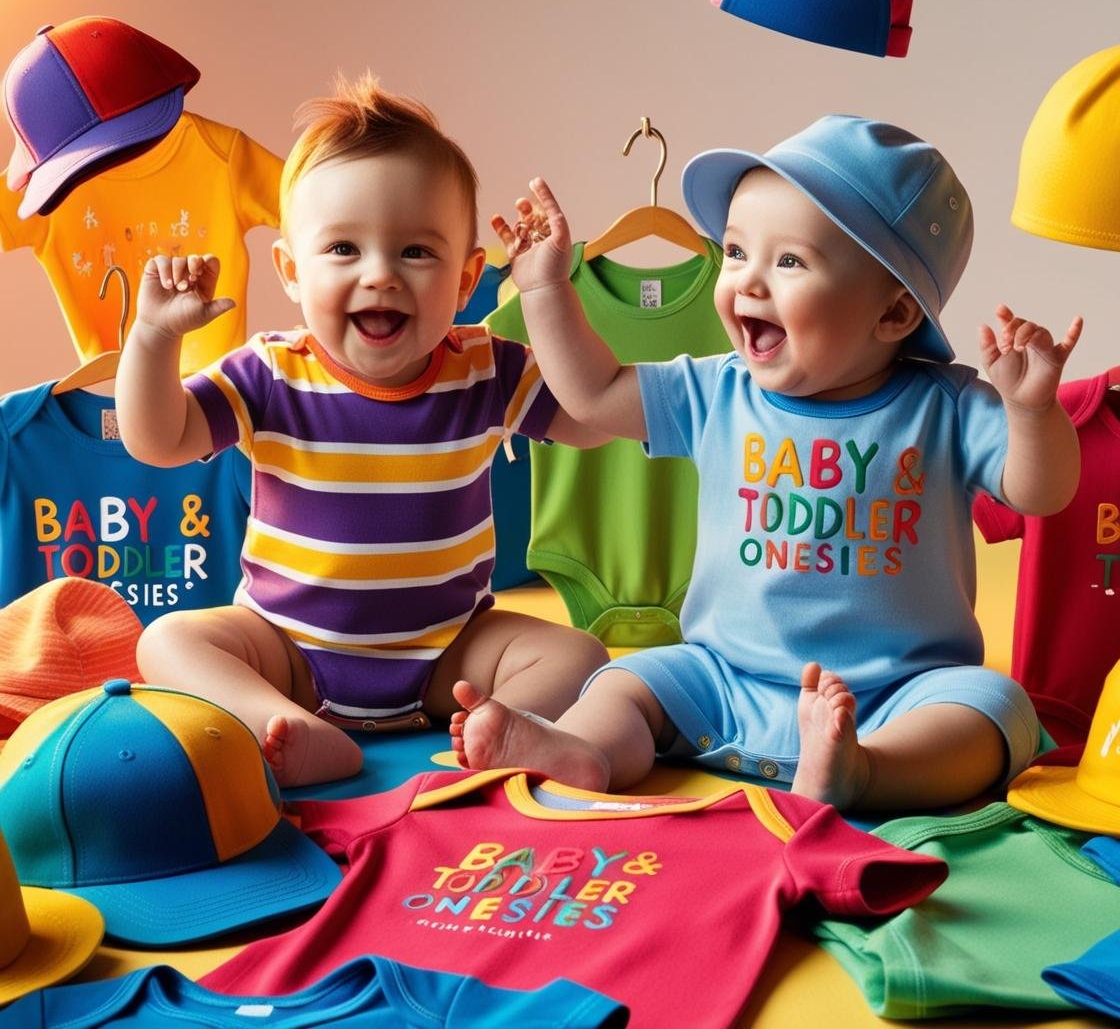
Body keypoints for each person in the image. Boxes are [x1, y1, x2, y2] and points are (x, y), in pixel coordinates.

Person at [450, 115, 1083, 812]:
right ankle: (586, 751)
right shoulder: (716, 389)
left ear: (896, 313)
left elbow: (1041, 493)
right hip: (723, 676)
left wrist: (1030, 413)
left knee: (993, 706)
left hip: (901, 690)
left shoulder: (947, 405)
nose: (748, 282)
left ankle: (863, 771)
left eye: (789, 262)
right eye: (735, 252)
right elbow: (595, 394)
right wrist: (544, 290)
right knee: (627, 683)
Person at [115, 75, 608, 787]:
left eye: (416, 252)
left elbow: (591, 417)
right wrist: (154, 338)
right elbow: (158, 441)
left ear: (469, 277)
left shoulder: (485, 369)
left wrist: (545, 293)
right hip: (288, 652)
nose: (380, 275)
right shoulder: (270, 373)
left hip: (449, 657)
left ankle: (500, 727)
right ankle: (279, 724)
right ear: (290, 270)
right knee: (169, 640)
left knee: (579, 658)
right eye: (343, 249)